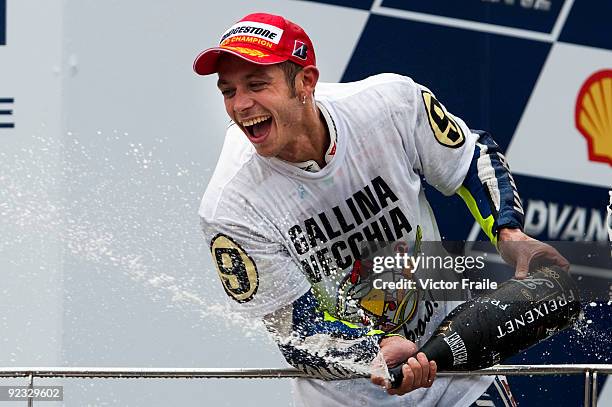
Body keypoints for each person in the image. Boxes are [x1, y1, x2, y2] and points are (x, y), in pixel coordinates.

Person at [194, 13, 568, 407]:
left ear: (305, 82)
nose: (241, 104)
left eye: (256, 85)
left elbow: (470, 159)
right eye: (228, 91)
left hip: (455, 367)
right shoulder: (231, 206)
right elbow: (297, 332)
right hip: (348, 396)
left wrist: (508, 233)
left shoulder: (388, 105)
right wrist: (374, 351)